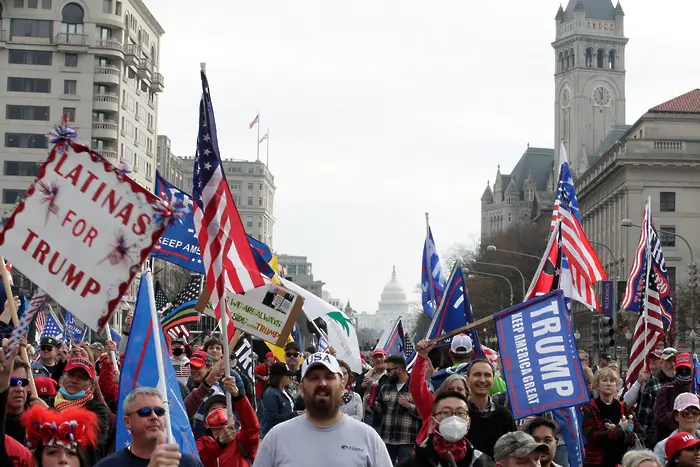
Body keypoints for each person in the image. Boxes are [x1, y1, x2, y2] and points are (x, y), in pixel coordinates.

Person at [253, 352, 392, 466]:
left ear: (342, 385)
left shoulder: (368, 438)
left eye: (329, 377)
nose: (322, 383)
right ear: (301, 388)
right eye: (313, 378)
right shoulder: (276, 438)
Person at [95, 387, 204, 467]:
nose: (154, 416)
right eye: (145, 411)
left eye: (159, 411)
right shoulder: (107, 465)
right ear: (128, 422)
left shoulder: (189, 464)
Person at [398, 391, 495, 467]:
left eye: (460, 413)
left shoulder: (482, 461)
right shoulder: (413, 462)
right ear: (433, 421)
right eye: (446, 412)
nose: (453, 418)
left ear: (468, 421)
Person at [411, 338, 470, 445]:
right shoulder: (432, 407)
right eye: (451, 389)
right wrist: (422, 356)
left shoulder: (473, 412)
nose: (455, 392)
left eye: (460, 389)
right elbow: (416, 387)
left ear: (467, 392)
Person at [581, 367, 642, 467]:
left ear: (616, 386)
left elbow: (640, 435)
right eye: (604, 380)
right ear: (597, 385)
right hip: (597, 463)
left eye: (612, 381)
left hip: (621, 461)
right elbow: (592, 437)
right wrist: (619, 429)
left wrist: (621, 433)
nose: (608, 383)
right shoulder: (590, 408)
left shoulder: (624, 407)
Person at [371, 354, 422, 464]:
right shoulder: (385, 387)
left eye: (389, 370)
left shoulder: (416, 386)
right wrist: (372, 404)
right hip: (387, 439)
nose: (387, 373)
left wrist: (409, 405)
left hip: (407, 440)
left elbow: (425, 413)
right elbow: (380, 412)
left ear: (399, 370)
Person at [196, 379, 260, 467]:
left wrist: (238, 396)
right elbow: (200, 461)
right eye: (213, 409)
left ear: (233, 418)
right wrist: (219, 443)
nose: (219, 411)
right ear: (206, 424)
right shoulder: (201, 444)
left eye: (224, 407)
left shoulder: (241, 440)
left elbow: (252, 426)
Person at [466, 359, 515, 459]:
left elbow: (512, 451)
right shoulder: (458, 413)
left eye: (487, 375)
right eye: (477, 375)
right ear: (467, 380)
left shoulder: (504, 415)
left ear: (493, 379)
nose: (482, 380)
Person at [639, 347, 677, 445]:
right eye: (668, 361)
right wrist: (645, 436)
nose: (672, 364)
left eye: (674, 361)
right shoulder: (653, 383)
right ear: (662, 363)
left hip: (680, 433)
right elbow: (644, 413)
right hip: (659, 435)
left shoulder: (686, 384)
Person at [654, 353, 694, 444]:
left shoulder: (696, 388)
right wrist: (681, 414)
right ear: (676, 370)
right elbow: (660, 419)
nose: (684, 372)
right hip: (671, 440)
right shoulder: (665, 390)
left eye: (687, 369)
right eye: (681, 369)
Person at [654, 393, 700, 464]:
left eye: (695, 413)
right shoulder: (662, 446)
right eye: (685, 413)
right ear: (676, 416)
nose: (690, 416)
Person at [260, 362, 298, 438]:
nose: (289, 378)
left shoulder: (284, 390)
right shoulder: (270, 394)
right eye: (287, 376)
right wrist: (294, 414)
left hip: (285, 432)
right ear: (280, 377)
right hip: (273, 436)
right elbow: (273, 418)